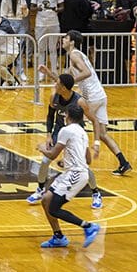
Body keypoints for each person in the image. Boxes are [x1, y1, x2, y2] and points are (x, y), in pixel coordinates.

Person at [44, 31, 132, 175]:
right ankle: (123, 162)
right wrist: (49, 73)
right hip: (100, 95)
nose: (63, 40)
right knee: (102, 134)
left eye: (66, 38)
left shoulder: (74, 54)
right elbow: (63, 81)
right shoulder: (77, 55)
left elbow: (86, 73)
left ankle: (72, 160)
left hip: (91, 96)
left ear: (72, 42)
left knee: (73, 126)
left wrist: (73, 81)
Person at [27, 74, 104, 210]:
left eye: (57, 83)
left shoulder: (80, 102)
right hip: (59, 131)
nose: (55, 85)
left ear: (64, 87)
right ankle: (40, 189)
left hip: (75, 134)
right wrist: (49, 135)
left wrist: (96, 142)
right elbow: (50, 116)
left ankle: (96, 193)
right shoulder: (54, 97)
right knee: (45, 161)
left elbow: (95, 121)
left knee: (83, 166)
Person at [36, 101, 102, 249]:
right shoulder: (82, 132)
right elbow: (88, 160)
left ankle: (88, 226)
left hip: (76, 175)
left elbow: (52, 155)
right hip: (73, 172)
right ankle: (58, 236)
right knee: (46, 200)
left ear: (68, 116)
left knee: (54, 208)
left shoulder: (66, 130)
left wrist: (41, 148)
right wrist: (66, 162)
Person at [32, 0, 64, 77]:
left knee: (53, 48)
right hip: (40, 23)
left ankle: (54, 71)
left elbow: (62, 7)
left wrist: (57, 9)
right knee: (41, 48)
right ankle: (41, 72)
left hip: (53, 22)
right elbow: (32, 7)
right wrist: (38, 8)